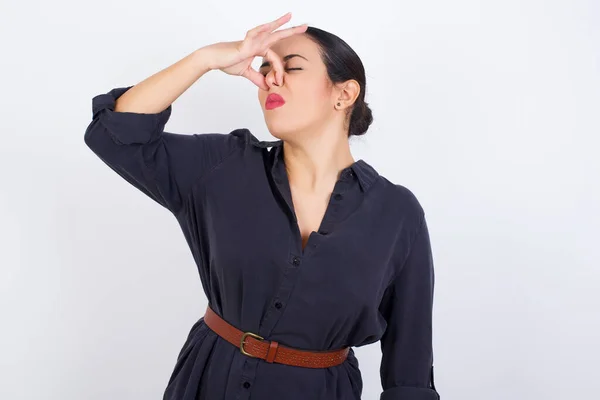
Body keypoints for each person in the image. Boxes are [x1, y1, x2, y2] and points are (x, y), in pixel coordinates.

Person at [83, 12, 440, 400]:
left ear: (344, 94)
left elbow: (411, 367)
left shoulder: (397, 213)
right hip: (209, 382)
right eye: (266, 67)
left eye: (292, 67)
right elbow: (114, 133)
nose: (272, 77)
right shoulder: (222, 166)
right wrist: (206, 59)